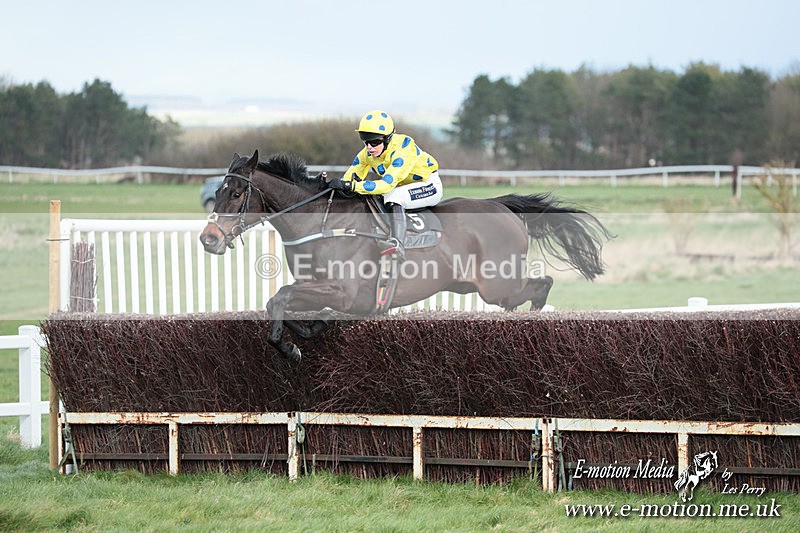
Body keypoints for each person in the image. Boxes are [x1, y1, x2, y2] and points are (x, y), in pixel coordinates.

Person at [328, 110, 443, 259]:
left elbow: (386, 185)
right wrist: (337, 186)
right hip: (403, 187)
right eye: (366, 141)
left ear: (388, 138)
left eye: (375, 142)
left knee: (393, 195)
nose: (369, 147)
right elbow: (350, 179)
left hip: (429, 185)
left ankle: (398, 244)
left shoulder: (404, 149)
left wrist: (354, 186)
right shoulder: (367, 154)